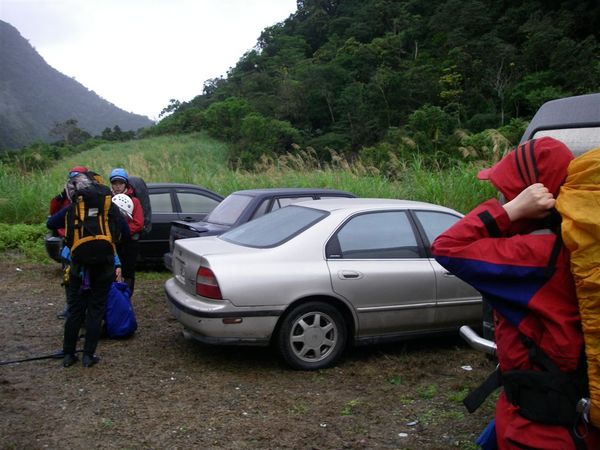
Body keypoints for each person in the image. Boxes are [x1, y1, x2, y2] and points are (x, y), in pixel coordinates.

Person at [431, 136, 600, 449]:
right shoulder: (577, 248)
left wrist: (509, 211)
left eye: (506, 190)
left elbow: (447, 247)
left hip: (539, 433)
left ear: (534, 194)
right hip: (565, 420)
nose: (500, 195)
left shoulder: (537, 255)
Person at [47, 172, 123, 368]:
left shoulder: (75, 207)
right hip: (104, 266)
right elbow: (124, 231)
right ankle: (88, 356)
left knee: (75, 311)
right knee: (96, 311)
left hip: (79, 267)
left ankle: (69, 355)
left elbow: (51, 223)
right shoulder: (108, 207)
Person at [109, 168, 144, 295]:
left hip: (129, 242)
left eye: (120, 183)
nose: (117, 186)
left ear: (126, 184)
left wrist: (122, 231)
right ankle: (114, 298)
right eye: (115, 183)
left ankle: (127, 297)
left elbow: (138, 223)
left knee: (128, 272)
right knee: (112, 270)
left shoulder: (134, 201)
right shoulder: (108, 200)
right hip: (112, 242)